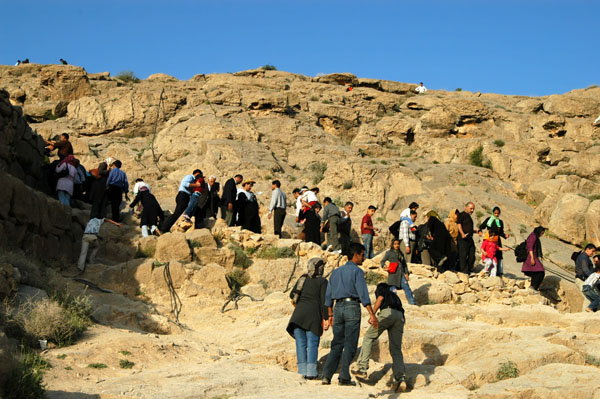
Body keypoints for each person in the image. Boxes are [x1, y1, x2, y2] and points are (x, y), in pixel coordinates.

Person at [321, 243, 379, 386]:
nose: (364, 258)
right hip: (352, 306)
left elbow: (328, 296)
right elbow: (363, 294)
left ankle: (326, 375)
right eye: (362, 255)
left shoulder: (335, 272)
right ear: (356, 255)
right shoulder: (357, 272)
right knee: (350, 344)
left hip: (338, 308)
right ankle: (344, 377)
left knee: (336, 343)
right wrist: (371, 313)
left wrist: (330, 314)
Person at [352, 280, 408, 392]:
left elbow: (380, 299)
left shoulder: (382, 289)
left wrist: (372, 314)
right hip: (400, 316)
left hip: (387, 313)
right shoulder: (395, 296)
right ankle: (401, 378)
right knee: (396, 349)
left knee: (369, 337)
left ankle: (362, 368)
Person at [286, 258, 329, 380]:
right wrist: (326, 318)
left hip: (297, 316)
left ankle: (302, 372)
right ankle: (311, 373)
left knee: (300, 344)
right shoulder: (322, 282)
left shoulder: (302, 278)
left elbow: (292, 294)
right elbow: (324, 302)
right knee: (312, 344)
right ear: (320, 269)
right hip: (313, 316)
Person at [381, 239, 415, 305]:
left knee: (407, 288)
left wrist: (406, 273)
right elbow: (382, 261)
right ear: (392, 245)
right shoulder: (389, 253)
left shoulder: (400, 253)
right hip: (393, 274)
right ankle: (394, 305)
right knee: (393, 290)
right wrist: (385, 267)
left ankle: (412, 303)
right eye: (395, 244)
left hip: (401, 274)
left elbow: (404, 264)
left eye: (398, 244)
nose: (397, 245)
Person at [478, 206, 509, 276]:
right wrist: (479, 231)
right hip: (489, 239)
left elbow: (500, 232)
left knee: (498, 254)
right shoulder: (488, 219)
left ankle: (499, 271)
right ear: (493, 213)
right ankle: (487, 270)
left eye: (498, 213)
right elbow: (481, 226)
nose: (496, 215)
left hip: (497, 239)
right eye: (495, 213)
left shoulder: (500, 222)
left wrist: (505, 236)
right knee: (489, 254)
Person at [521, 226, 546, 292]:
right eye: (542, 233)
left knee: (535, 273)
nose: (542, 235)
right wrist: (532, 258)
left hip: (533, 256)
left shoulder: (534, 236)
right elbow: (530, 247)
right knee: (541, 272)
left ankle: (533, 287)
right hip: (531, 257)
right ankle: (534, 287)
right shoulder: (533, 236)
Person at [457, 202, 476, 274]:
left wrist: (475, 231)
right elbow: (459, 225)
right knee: (463, 255)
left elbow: (468, 229)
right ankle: (464, 272)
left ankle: (469, 269)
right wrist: (462, 234)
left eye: (473, 209)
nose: (472, 210)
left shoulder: (469, 217)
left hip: (469, 238)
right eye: (471, 208)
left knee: (472, 254)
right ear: (466, 207)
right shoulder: (461, 215)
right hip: (463, 239)